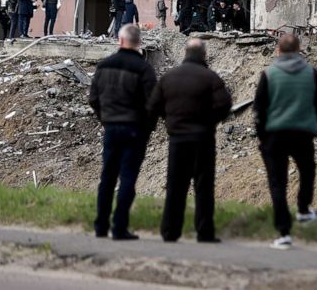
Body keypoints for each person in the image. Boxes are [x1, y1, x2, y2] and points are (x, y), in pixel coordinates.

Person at [147, 38, 232, 243]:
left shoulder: (169, 78)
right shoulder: (211, 78)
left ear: (185, 53)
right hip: (203, 139)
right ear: (204, 55)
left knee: (175, 185)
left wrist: (169, 119)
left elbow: (153, 106)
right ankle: (204, 232)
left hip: (178, 139)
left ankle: (170, 231)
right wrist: (209, 121)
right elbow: (224, 104)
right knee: (203, 186)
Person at [254, 33, 317, 250]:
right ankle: (304, 209)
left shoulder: (269, 74)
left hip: (275, 134)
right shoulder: (311, 73)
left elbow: (259, 108)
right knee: (307, 171)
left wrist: (263, 136)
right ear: (299, 50)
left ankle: (284, 232)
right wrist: (314, 123)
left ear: (278, 50)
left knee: (278, 182)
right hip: (302, 132)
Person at [88, 24, 157, 240]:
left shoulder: (104, 65)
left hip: (111, 128)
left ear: (120, 40)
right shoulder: (144, 69)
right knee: (128, 178)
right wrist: (147, 129)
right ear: (139, 43)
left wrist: (104, 119)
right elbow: (153, 104)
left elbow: (93, 98)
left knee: (107, 177)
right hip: (134, 130)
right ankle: (119, 227)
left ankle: (100, 225)